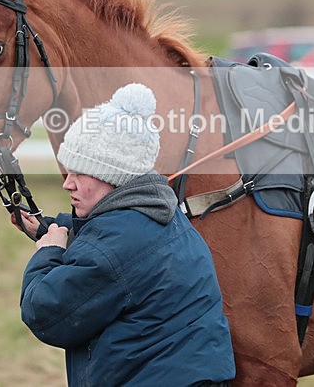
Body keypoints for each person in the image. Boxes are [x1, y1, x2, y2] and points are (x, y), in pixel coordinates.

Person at [13, 83, 235, 386]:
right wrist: (48, 228)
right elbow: (104, 245)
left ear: (113, 176)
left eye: (80, 173)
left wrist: (47, 252)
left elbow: (46, 312)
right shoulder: (156, 212)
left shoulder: (116, 246)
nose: (68, 184)